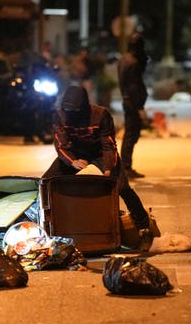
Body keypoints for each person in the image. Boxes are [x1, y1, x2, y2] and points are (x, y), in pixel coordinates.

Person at [42, 85, 155, 252]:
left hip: (100, 153)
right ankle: (43, 230)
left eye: (75, 110)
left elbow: (109, 144)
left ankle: (144, 229)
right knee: (45, 184)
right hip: (74, 154)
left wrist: (108, 168)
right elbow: (60, 145)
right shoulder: (59, 115)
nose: (71, 113)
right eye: (68, 109)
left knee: (123, 188)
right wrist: (72, 161)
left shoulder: (100, 114)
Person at [117, 32, 149, 178]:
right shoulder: (134, 63)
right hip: (133, 103)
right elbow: (135, 87)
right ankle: (126, 166)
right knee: (131, 135)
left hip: (127, 100)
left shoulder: (123, 60)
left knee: (130, 134)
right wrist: (140, 107)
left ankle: (125, 166)